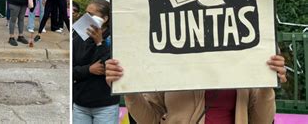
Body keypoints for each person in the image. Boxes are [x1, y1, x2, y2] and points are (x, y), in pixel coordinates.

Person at [105, 55, 287, 123]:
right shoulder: (168, 64)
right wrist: (127, 86)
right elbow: (150, 119)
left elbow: (261, 121)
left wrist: (267, 84)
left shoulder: (243, 61)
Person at [73, 0, 120, 123]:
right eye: (85, 14)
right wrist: (88, 69)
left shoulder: (115, 38)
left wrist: (99, 42)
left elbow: (107, 66)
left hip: (106, 105)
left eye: (91, 14)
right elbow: (72, 70)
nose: (86, 18)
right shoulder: (79, 37)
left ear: (105, 19)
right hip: (80, 103)